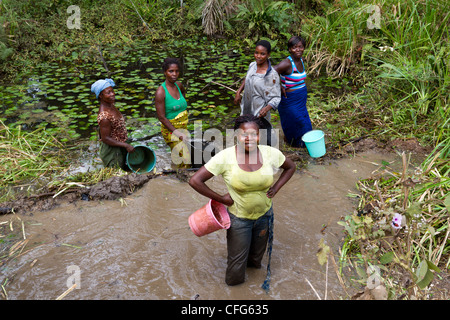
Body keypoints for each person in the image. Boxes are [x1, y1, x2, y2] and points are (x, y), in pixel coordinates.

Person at [189, 115, 295, 287]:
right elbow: (195, 181)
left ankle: (253, 291)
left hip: (264, 216)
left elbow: (291, 167)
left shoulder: (270, 153)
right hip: (239, 219)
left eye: (254, 134)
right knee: (236, 270)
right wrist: (221, 198)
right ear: (236, 135)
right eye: (244, 134)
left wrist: (276, 188)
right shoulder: (225, 157)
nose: (249, 138)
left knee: (255, 261)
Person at [234, 40, 281, 146]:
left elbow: (276, 98)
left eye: (262, 54)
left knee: (259, 134)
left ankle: (264, 154)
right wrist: (239, 92)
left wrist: (266, 108)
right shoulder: (252, 65)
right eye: (256, 53)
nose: (258, 56)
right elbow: (247, 78)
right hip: (247, 106)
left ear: (268, 55)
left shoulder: (271, 75)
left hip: (259, 111)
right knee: (245, 129)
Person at [274, 36, 313, 148]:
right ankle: (296, 145)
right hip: (289, 100)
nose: (298, 50)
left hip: (300, 99)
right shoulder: (286, 63)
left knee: (304, 122)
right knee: (296, 122)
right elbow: (271, 72)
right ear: (290, 49)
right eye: (294, 47)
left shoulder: (301, 60)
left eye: (300, 47)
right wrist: (279, 85)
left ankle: (295, 144)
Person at [91, 78, 135, 170]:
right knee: (116, 177)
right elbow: (105, 138)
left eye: (112, 91)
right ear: (100, 96)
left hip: (120, 145)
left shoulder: (111, 106)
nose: (112, 94)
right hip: (112, 151)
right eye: (108, 93)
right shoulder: (105, 116)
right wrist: (126, 145)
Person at [155, 58, 191, 168]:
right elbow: (161, 117)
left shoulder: (179, 86)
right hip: (170, 130)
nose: (174, 74)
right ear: (165, 72)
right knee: (185, 159)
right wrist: (177, 132)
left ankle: (174, 172)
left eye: (177, 71)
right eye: (171, 71)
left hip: (183, 127)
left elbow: (183, 94)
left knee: (179, 156)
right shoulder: (161, 92)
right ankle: (180, 181)